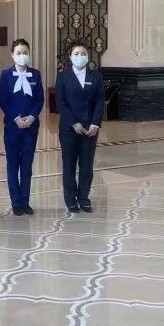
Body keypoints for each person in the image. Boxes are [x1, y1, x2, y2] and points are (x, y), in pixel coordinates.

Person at [55, 42, 105, 213]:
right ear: (70, 57)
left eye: (83, 53)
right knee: (69, 165)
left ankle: (84, 198)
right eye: (76, 53)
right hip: (69, 129)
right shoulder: (63, 77)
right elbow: (60, 102)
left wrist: (95, 123)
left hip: (90, 129)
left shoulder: (95, 76)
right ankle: (70, 199)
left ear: (88, 57)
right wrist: (73, 122)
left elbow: (100, 101)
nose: (80, 56)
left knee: (86, 166)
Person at [0, 39, 45, 216]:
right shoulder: (6, 74)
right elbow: (3, 100)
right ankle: (16, 202)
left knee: (27, 166)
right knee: (13, 165)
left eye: (25, 52)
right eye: (18, 53)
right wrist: (16, 119)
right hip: (12, 126)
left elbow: (39, 99)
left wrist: (31, 117)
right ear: (12, 54)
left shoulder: (36, 74)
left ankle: (25, 201)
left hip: (31, 128)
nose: (22, 56)